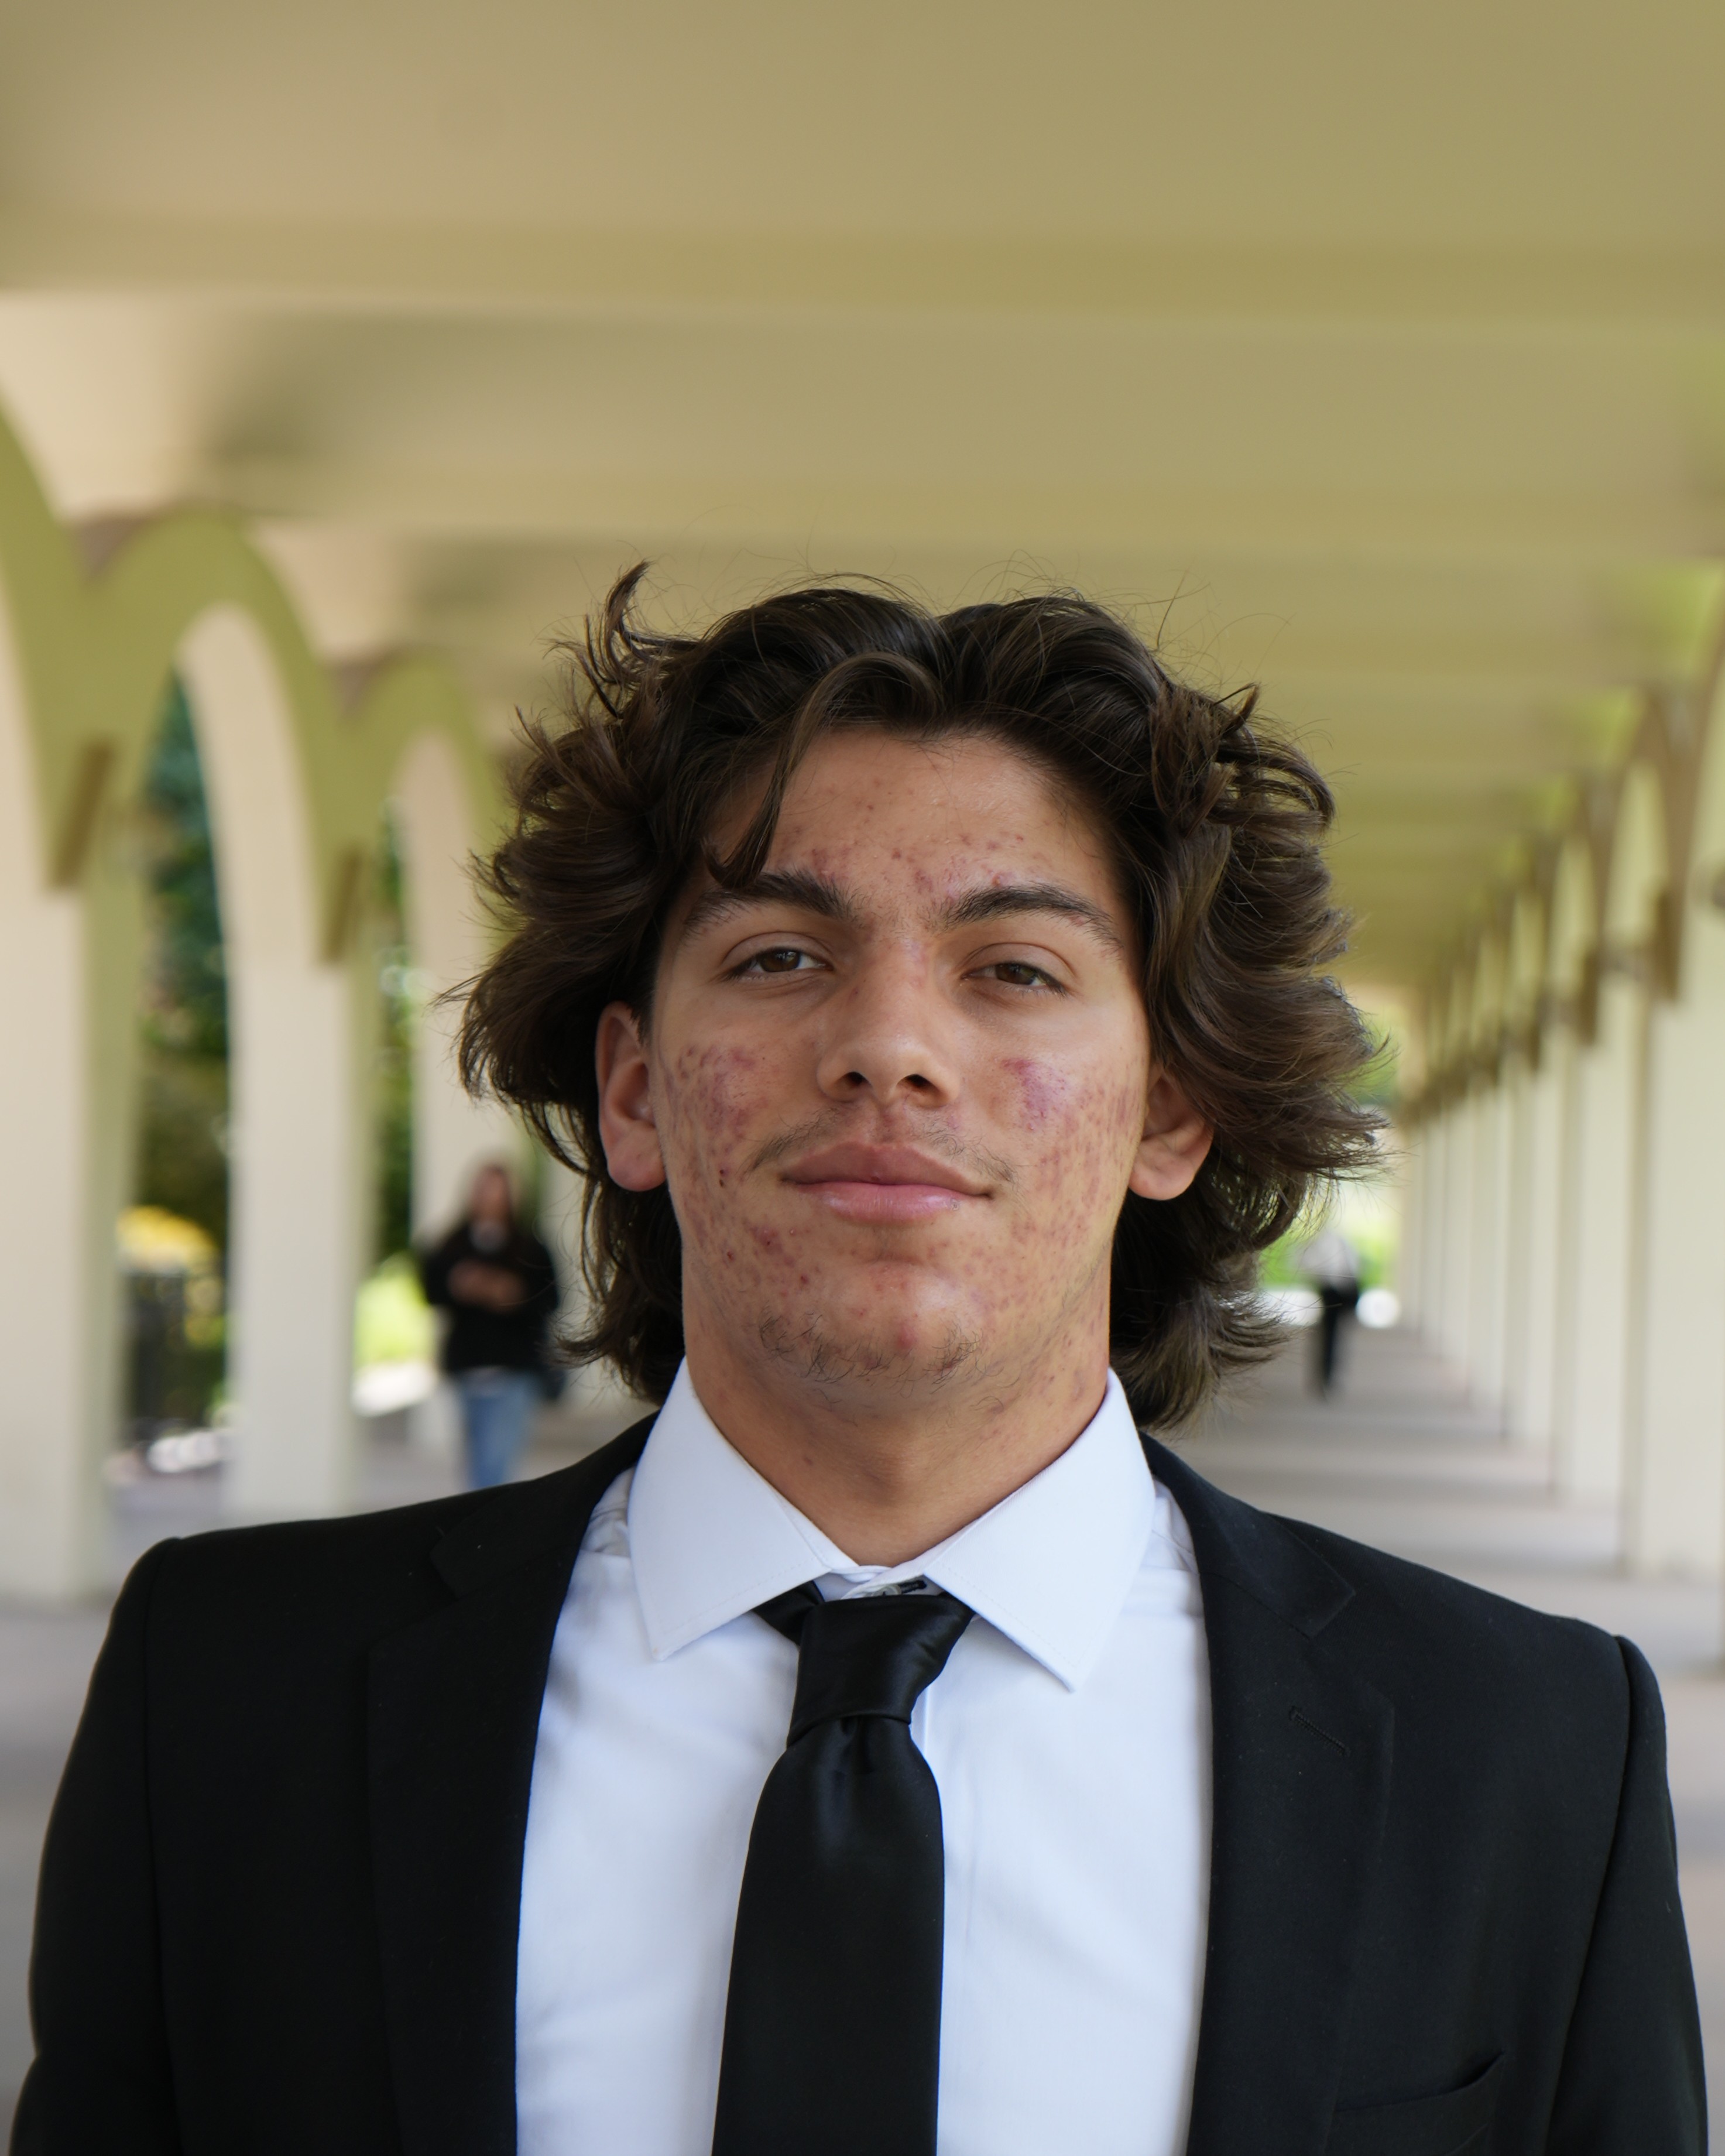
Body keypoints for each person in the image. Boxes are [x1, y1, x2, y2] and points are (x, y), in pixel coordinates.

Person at [17, 572, 1702, 2155]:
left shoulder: (1524, 1747)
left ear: (1172, 1108)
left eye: (1015, 970)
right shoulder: (229, 1697)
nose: (888, 1045)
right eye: (780, 956)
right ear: (632, 1093)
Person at [419, 1160, 561, 1487]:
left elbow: (551, 1300)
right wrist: (460, 1287)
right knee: (478, 1459)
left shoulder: (529, 1247)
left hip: (514, 1366)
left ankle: (486, 1516)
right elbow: (431, 1291)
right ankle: (482, 1515)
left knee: (497, 1461)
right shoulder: (452, 1244)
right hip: (469, 1366)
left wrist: (510, 1294)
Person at [1301, 1223, 1362, 1396]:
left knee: (1330, 1336)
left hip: (1334, 1291)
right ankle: (1327, 1377)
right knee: (1331, 1336)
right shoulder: (1338, 1243)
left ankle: (1327, 1377)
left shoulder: (1327, 1243)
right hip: (1334, 1292)